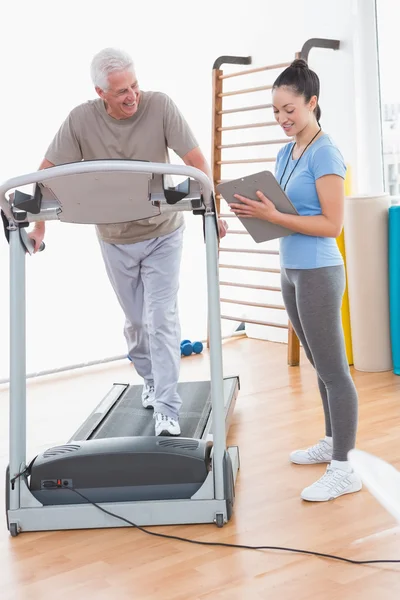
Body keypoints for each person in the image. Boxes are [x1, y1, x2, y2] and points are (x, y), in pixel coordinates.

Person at [28, 47, 227, 437]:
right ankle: (150, 379)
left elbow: (198, 163)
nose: (132, 96)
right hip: (114, 238)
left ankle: (168, 408)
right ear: (101, 92)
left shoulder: (160, 106)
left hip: (163, 233)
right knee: (137, 324)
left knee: (162, 319)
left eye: (135, 85)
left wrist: (213, 210)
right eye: (121, 92)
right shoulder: (81, 120)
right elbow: (44, 177)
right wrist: (39, 229)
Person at [229, 59, 362, 502]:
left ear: (312, 103)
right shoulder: (286, 153)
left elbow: (331, 226)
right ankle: (331, 440)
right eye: (276, 112)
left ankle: (344, 468)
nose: (283, 120)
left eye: (290, 110)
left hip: (320, 270)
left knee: (334, 371)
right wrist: (255, 211)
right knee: (318, 365)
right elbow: (286, 215)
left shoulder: (326, 152)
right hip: (291, 268)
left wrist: (274, 215)